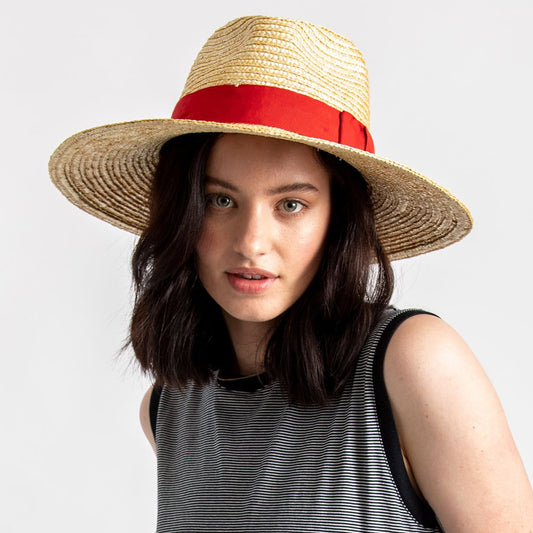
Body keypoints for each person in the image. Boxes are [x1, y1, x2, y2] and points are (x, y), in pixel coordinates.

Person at [49, 15, 533, 533]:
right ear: (182, 212)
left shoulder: (413, 363)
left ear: (338, 220)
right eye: (220, 200)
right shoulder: (169, 409)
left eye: (291, 205)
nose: (251, 242)